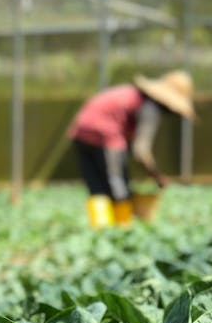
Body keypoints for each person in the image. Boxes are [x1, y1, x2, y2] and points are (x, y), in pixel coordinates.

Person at [67, 70, 195, 228]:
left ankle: (100, 231)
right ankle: (122, 230)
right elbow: (141, 151)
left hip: (81, 131)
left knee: (97, 186)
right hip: (106, 134)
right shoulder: (150, 108)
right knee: (118, 185)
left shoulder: (132, 94)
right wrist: (156, 176)